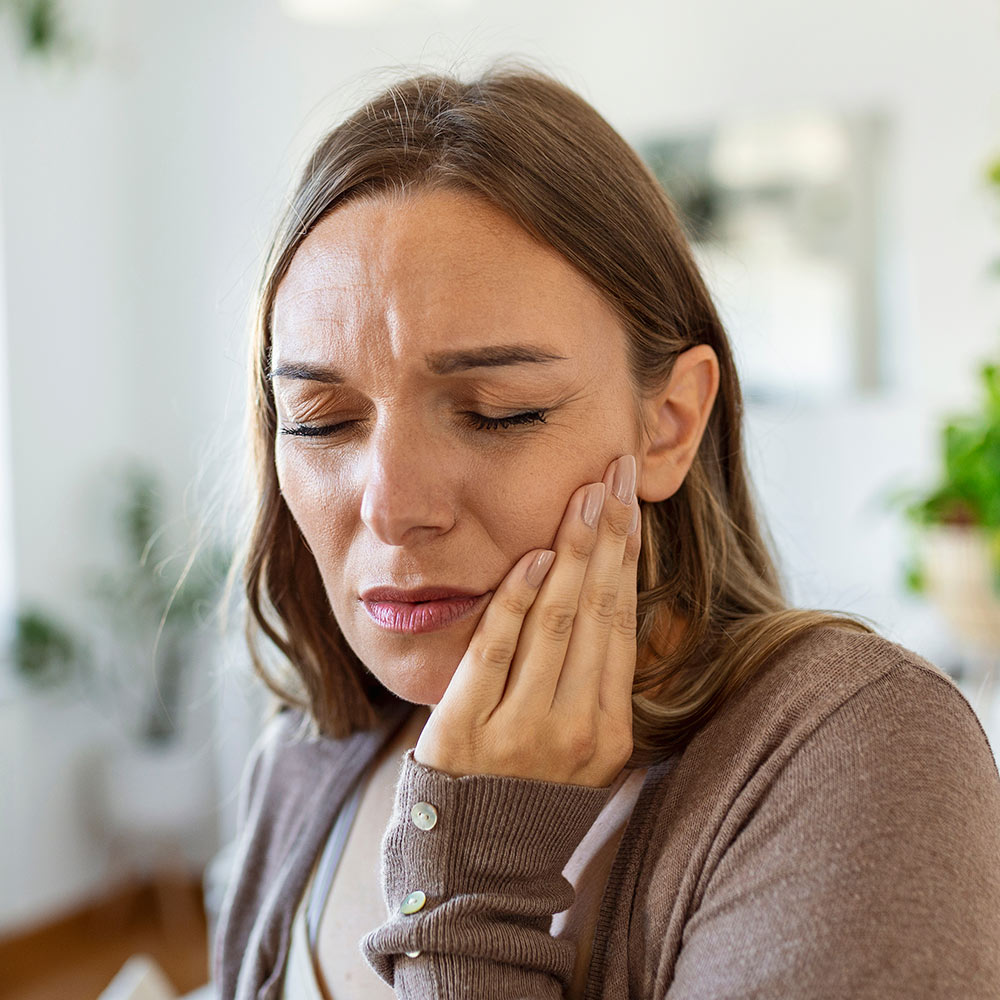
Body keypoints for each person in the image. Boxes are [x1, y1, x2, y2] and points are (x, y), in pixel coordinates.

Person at [212, 62, 1000, 1000]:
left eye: (497, 410)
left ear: (668, 420)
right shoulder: (305, 758)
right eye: (322, 421)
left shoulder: (850, 747)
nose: (390, 505)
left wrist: (472, 893)